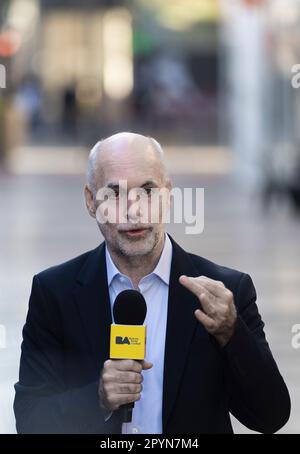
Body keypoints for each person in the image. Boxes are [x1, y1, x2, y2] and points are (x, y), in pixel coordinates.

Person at [14, 132, 290, 434]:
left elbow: (271, 416)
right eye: (115, 193)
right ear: (91, 201)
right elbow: (30, 420)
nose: (134, 210)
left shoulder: (225, 294)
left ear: (168, 195)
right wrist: (97, 399)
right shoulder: (54, 292)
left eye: (147, 190)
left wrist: (232, 333)